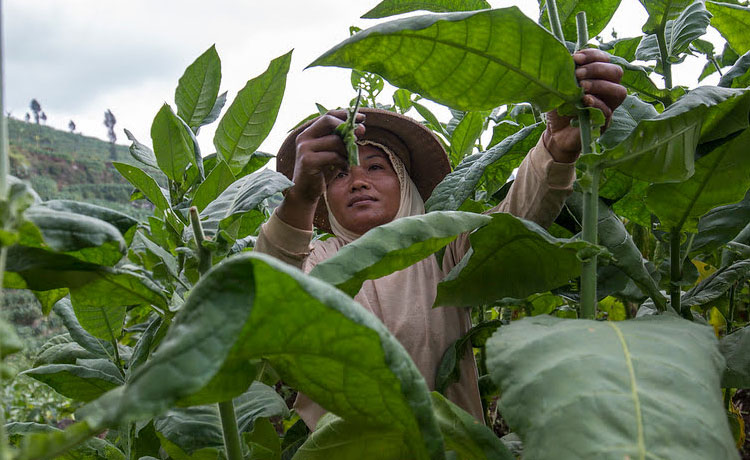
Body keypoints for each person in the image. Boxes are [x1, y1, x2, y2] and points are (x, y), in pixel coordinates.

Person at [255, 49, 626, 429]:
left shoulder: (441, 248)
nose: (358, 181)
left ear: (406, 182)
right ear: (323, 196)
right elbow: (267, 301)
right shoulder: (315, 261)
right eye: (337, 175)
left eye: (377, 167)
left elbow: (514, 219)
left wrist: (555, 148)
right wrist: (300, 197)